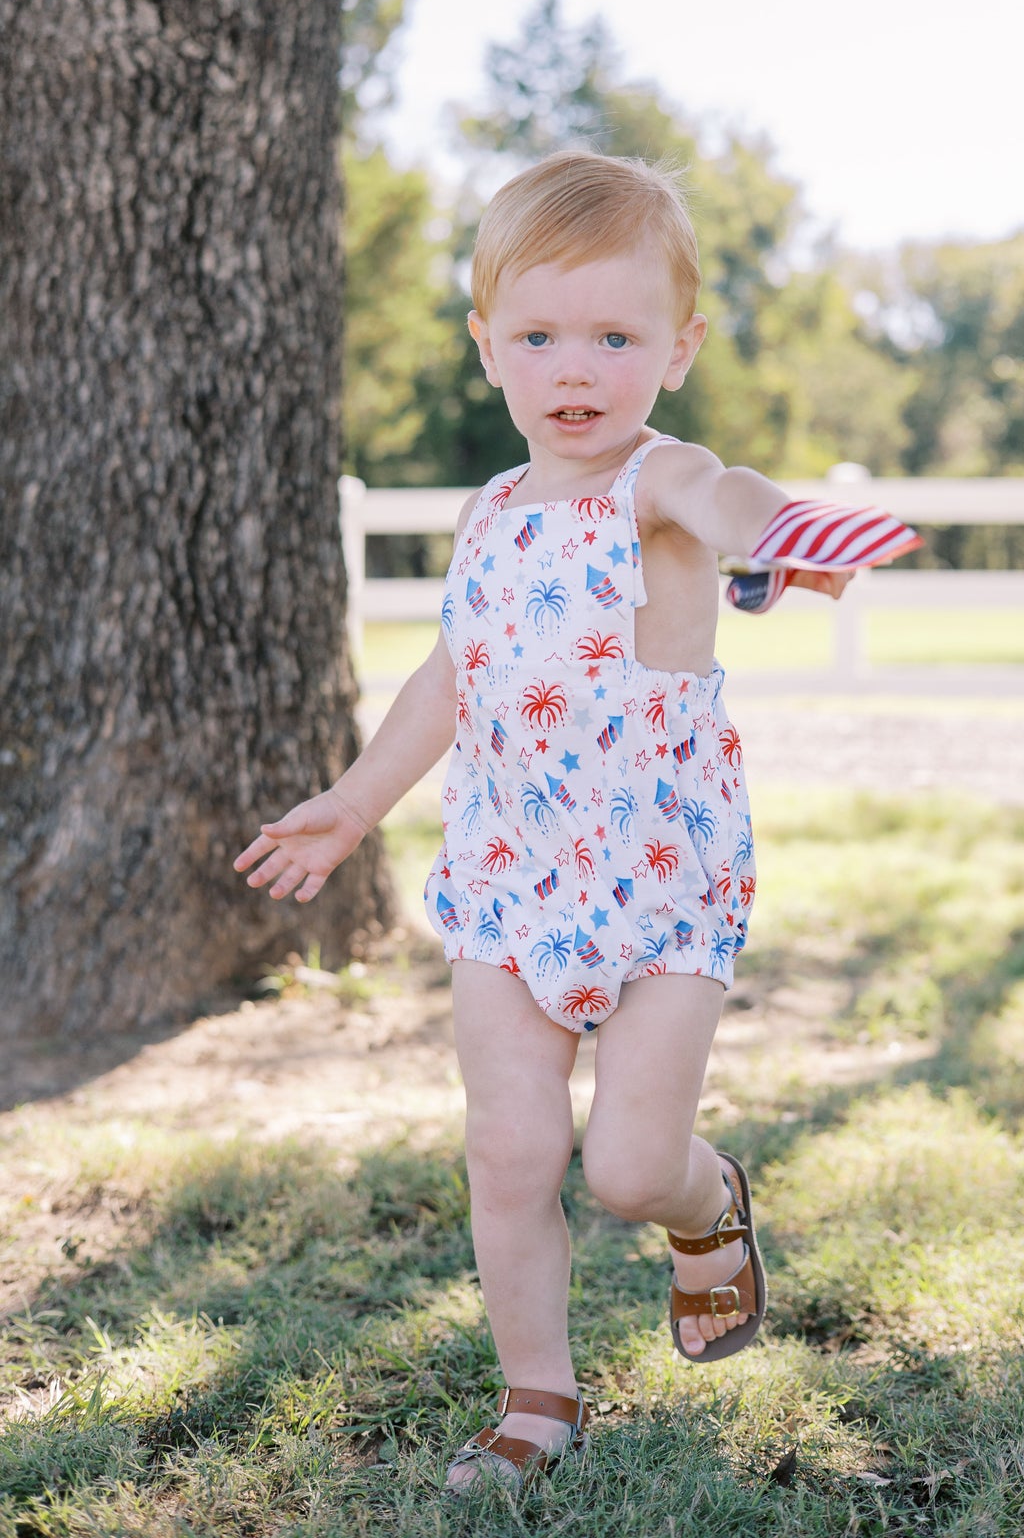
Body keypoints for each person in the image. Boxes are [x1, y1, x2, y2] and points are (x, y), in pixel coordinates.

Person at [233, 150, 920, 1495]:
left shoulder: (659, 480)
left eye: (617, 335)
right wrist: (357, 802)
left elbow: (732, 500)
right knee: (509, 1144)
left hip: (660, 881)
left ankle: (708, 1207)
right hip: (507, 876)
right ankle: (536, 1393)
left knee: (625, 1164)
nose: (578, 367)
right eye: (541, 334)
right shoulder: (490, 511)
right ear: (487, 345)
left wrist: (791, 533)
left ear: (679, 347)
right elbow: (453, 676)